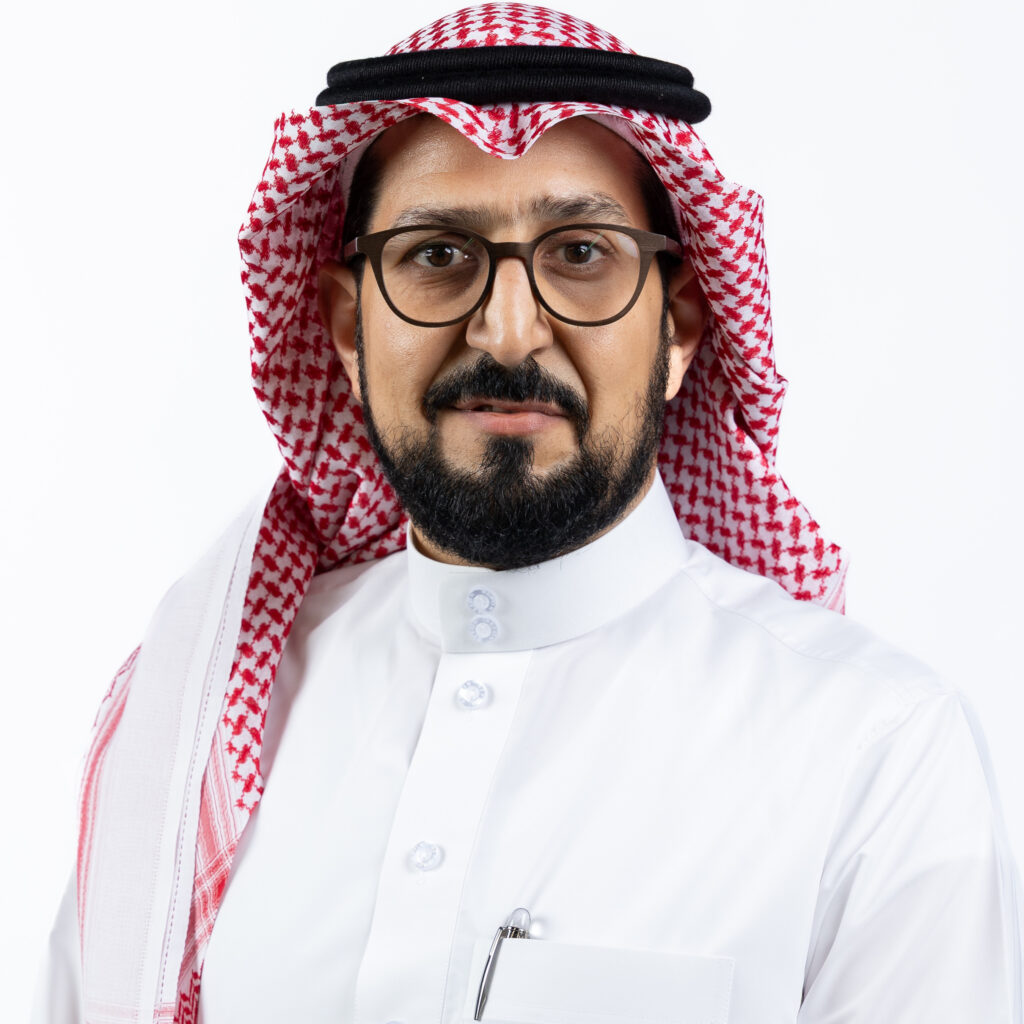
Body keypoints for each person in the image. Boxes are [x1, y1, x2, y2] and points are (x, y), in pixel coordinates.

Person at [33, 4, 1022, 1022]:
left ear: (680, 326)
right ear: (347, 326)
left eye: (581, 253)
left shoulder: (874, 757)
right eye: (436, 255)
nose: (508, 331)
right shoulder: (185, 729)